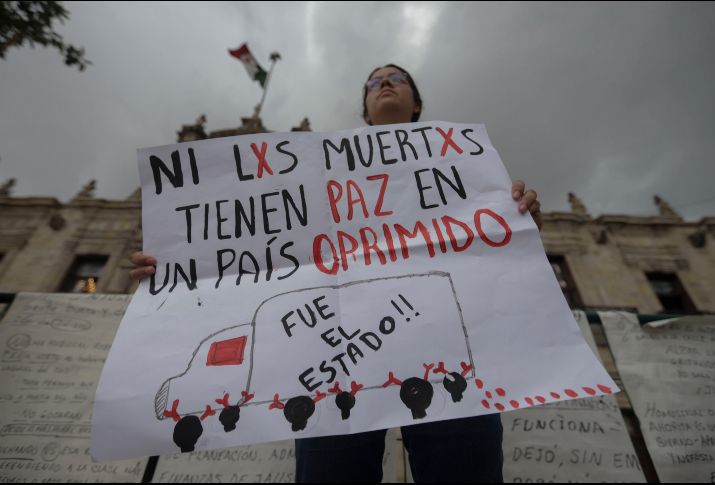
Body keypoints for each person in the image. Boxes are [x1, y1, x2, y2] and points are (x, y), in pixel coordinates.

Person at [130, 64, 543, 482]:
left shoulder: (460, 163)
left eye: (397, 79)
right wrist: (172, 264)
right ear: (364, 109)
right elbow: (256, 245)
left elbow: (484, 245)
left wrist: (517, 222)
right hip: (334, 354)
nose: (383, 83)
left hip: (442, 344)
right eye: (373, 81)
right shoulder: (313, 174)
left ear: (416, 103)